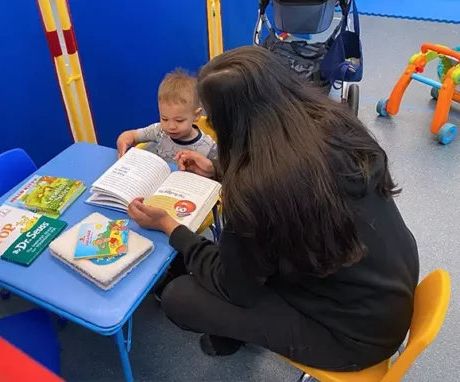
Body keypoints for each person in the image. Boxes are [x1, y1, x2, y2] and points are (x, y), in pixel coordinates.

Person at [127, 46, 419, 372]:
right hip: (389, 289)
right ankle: (234, 334)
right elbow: (296, 176)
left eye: (211, 117)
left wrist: (172, 228)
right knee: (252, 264)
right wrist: (217, 169)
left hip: (352, 339)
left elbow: (233, 284)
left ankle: (234, 333)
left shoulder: (254, 191)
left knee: (179, 297)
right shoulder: (335, 123)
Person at [116, 68, 217, 163]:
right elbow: (133, 135)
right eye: (164, 119)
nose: (171, 126)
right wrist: (123, 139)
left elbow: (220, 168)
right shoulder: (158, 130)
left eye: (179, 120)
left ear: (196, 115)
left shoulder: (207, 146)